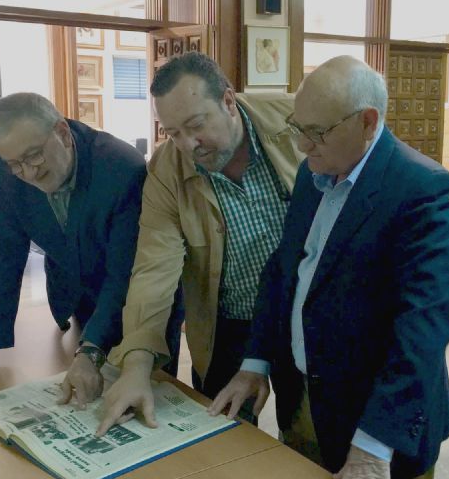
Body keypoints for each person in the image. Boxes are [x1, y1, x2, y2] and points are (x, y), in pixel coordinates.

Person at [209, 56, 449, 479]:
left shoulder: (425, 191)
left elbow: (422, 331)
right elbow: (284, 271)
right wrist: (256, 362)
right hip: (305, 400)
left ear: (367, 122)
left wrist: (373, 445)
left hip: (378, 426)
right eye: (298, 127)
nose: (304, 145)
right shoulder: (316, 171)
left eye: (319, 131)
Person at [96, 52, 302, 436]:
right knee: (220, 435)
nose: (189, 144)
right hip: (228, 324)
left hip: (305, 316)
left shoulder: (295, 124)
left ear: (228, 101)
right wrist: (138, 365)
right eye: (173, 133)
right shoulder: (167, 170)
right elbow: (154, 269)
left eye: (195, 125)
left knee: (310, 437)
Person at [0, 93, 182, 406]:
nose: (29, 172)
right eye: (16, 164)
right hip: (76, 294)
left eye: (34, 156)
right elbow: (5, 253)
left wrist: (91, 350)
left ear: (62, 132)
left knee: (144, 395)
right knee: (85, 395)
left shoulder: (119, 168)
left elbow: (124, 272)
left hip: (138, 302)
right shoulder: (7, 166)